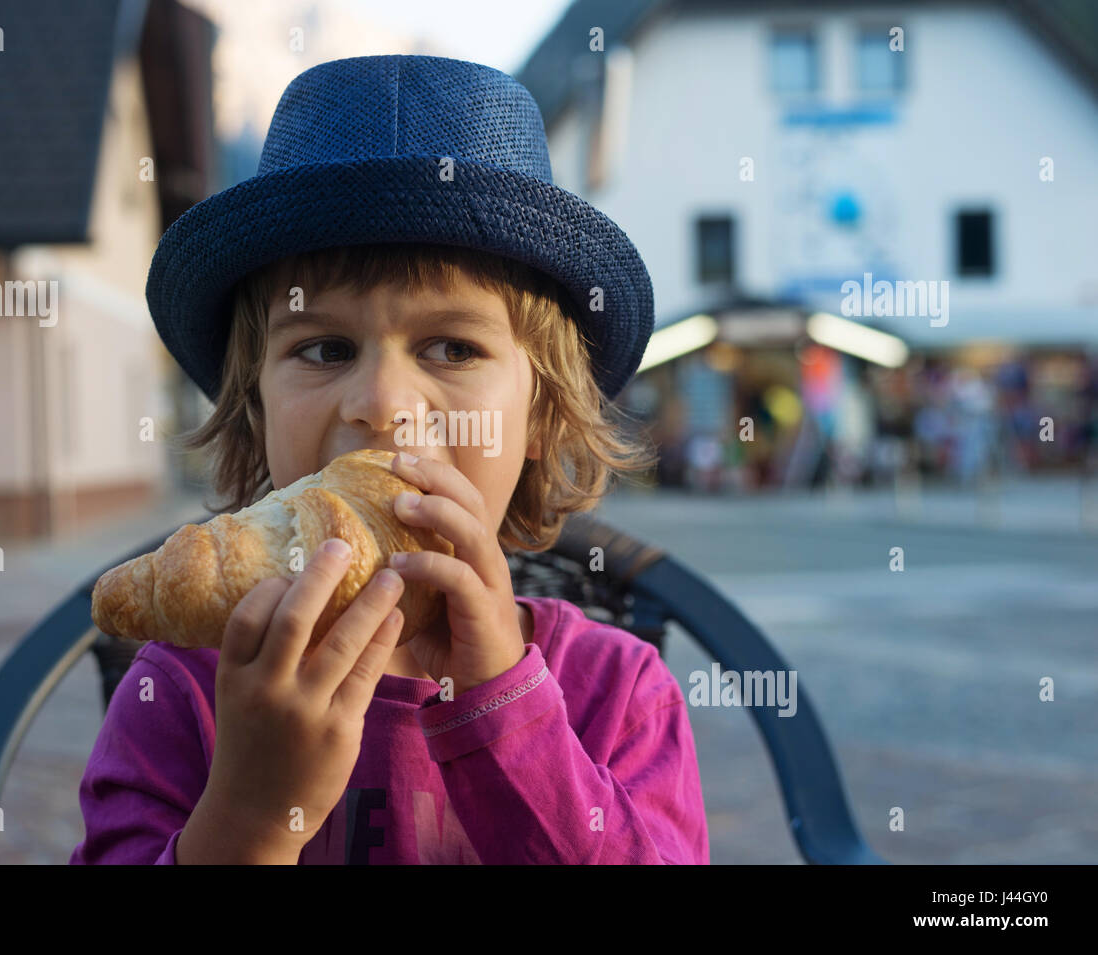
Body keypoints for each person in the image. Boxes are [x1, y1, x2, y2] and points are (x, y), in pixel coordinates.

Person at [70, 55, 709, 865]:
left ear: (541, 415)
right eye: (326, 347)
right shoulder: (186, 691)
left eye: (452, 346)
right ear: (255, 406)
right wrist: (251, 817)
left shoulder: (615, 691)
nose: (382, 401)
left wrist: (507, 714)